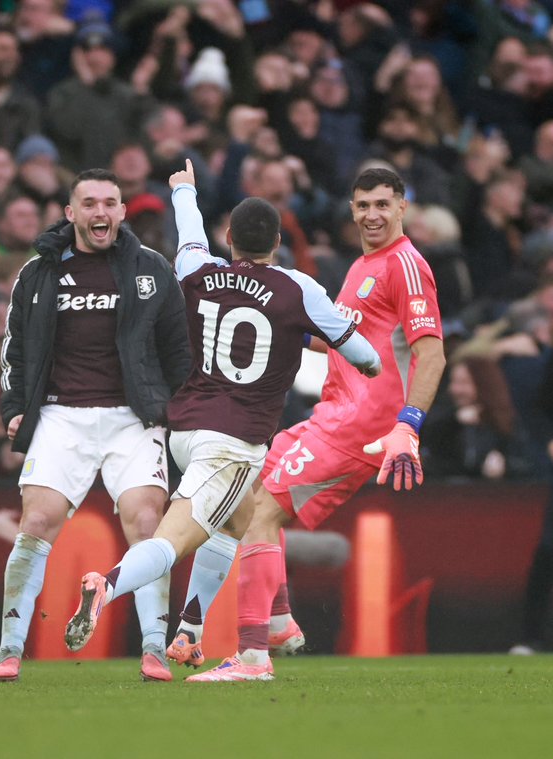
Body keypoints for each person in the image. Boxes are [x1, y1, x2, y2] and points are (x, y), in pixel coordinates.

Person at [62, 160, 382, 663]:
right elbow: (367, 358)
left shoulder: (198, 270)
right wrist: (334, 331)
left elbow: (189, 235)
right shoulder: (298, 288)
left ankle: (189, 631)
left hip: (185, 429)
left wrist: (184, 191)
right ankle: (107, 584)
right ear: (278, 242)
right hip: (234, 440)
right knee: (173, 539)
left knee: (241, 517)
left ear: (229, 237)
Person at [177, 167, 446, 682]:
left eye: (383, 205)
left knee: (258, 517)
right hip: (333, 412)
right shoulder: (365, 266)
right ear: (351, 208)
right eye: (364, 205)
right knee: (251, 490)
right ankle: (277, 620)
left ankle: (253, 657)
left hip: (361, 424)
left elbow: (431, 354)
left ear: (402, 208)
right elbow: (333, 339)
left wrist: (408, 425)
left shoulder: (407, 266)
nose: (372, 215)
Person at [0, 168, 192, 684]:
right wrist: (13, 407)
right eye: (90, 204)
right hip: (61, 414)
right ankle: (9, 648)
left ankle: (154, 649)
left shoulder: (151, 269)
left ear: (122, 212)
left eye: (109, 203)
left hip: (132, 417)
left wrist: (181, 412)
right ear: (70, 213)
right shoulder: (38, 272)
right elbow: (15, 348)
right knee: (35, 522)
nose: (100, 213)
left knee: (147, 524)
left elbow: (178, 350)